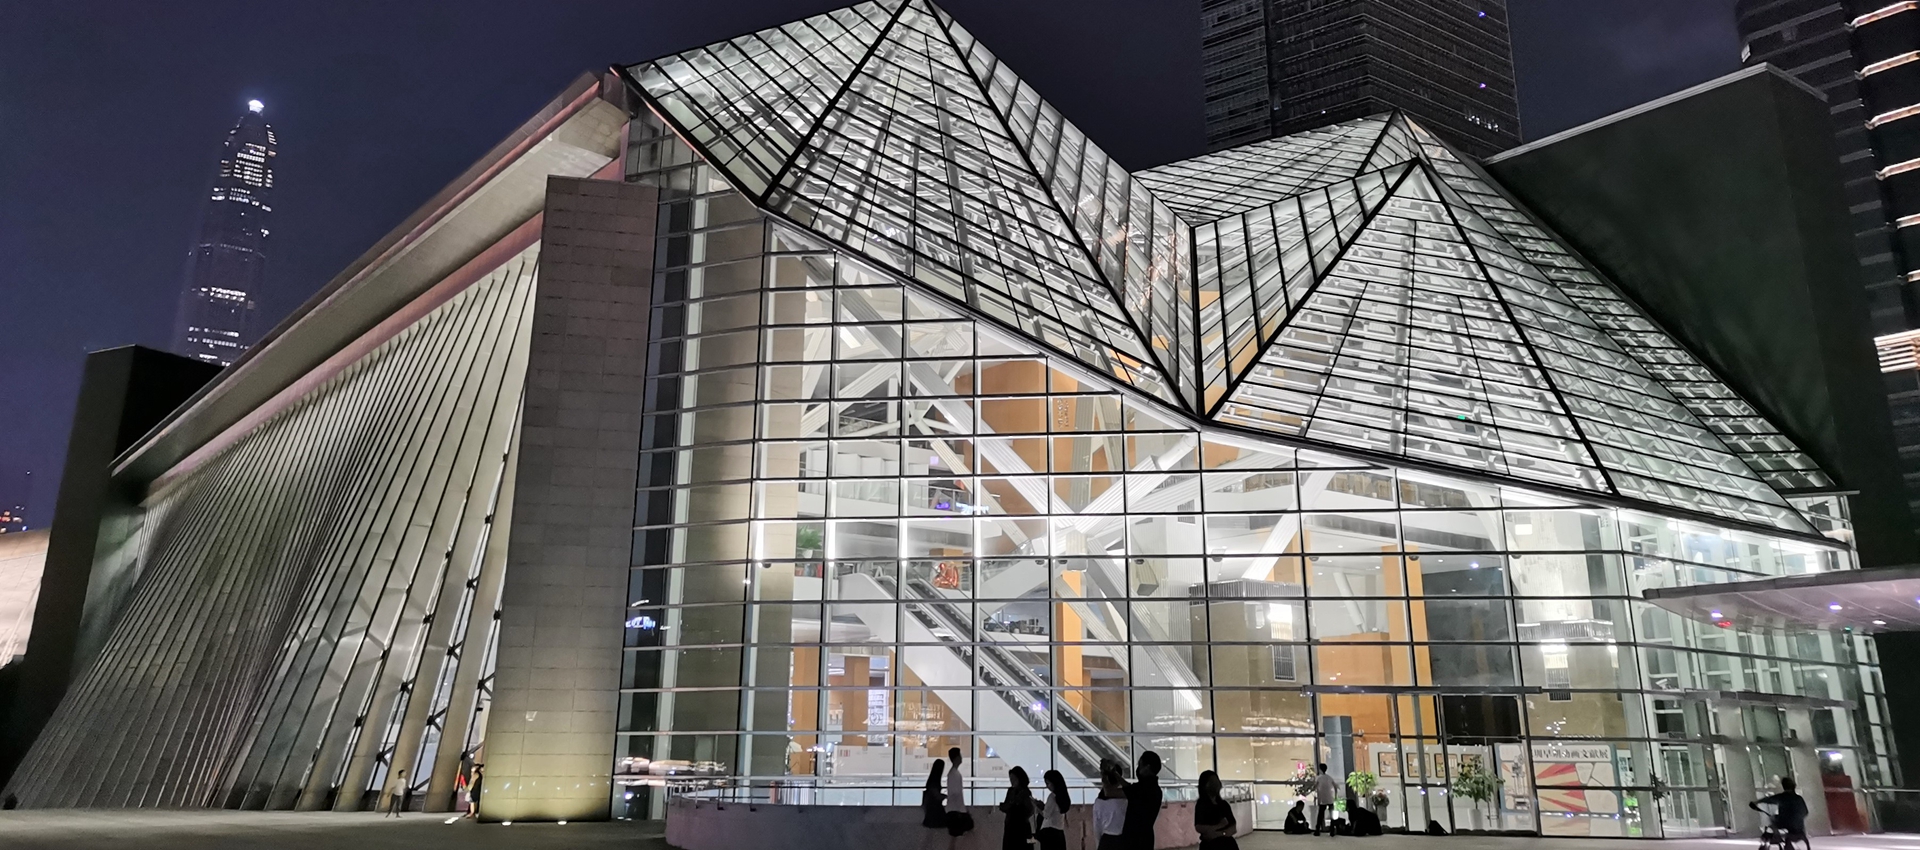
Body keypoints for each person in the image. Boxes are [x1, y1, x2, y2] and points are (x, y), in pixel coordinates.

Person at [1121, 751, 1163, 850]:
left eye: (1140, 765)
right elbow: (1129, 789)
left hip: (1133, 840)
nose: (1138, 768)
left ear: (1147, 767)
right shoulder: (1155, 790)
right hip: (1146, 839)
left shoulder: (1141, 789)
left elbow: (1115, 792)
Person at [1751, 777, 1810, 846]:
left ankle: (1770, 840)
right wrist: (1797, 818)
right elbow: (1806, 812)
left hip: (1785, 824)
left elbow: (1769, 799)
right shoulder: (1799, 798)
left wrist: (1756, 802)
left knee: (1772, 824)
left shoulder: (1782, 797)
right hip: (1799, 827)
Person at [1194, 770, 1239, 850]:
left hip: (1228, 844)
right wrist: (1220, 826)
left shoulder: (1224, 804)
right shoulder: (1201, 805)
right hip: (1210, 845)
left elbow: (1233, 827)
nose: (1216, 784)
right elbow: (1199, 826)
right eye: (1211, 781)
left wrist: (1218, 833)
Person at [1093, 759, 1129, 850]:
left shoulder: (1098, 801)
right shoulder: (1126, 800)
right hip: (1123, 840)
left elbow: (1097, 828)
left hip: (1106, 840)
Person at [999, 766, 1035, 850]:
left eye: (1014, 779)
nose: (1012, 781)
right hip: (1011, 826)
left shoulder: (1025, 792)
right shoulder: (1011, 791)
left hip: (1021, 827)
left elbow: (1029, 809)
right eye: (1010, 779)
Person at [1037, 769, 1071, 850]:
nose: (1047, 786)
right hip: (1059, 832)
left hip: (1049, 833)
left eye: (1048, 783)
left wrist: (1037, 807)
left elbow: (1046, 815)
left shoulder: (1052, 797)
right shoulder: (1063, 797)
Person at [945, 746, 974, 836]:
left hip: (954, 809)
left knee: (956, 835)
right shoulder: (954, 774)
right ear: (956, 758)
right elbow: (956, 793)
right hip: (956, 809)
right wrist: (963, 809)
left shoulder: (952, 773)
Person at [1312, 763, 1337, 837]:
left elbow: (1315, 787)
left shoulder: (1318, 778)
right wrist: (1335, 796)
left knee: (1320, 815)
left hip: (1322, 799)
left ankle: (1317, 830)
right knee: (1332, 815)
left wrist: (1315, 796)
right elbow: (1335, 787)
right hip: (1330, 798)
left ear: (1320, 769)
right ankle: (1332, 830)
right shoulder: (1329, 777)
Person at [923, 759, 948, 828]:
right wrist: (946, 796)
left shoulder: (931, 780)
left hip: (931, 809)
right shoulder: (935, 782)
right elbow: (936, 796)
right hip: (935, 810)